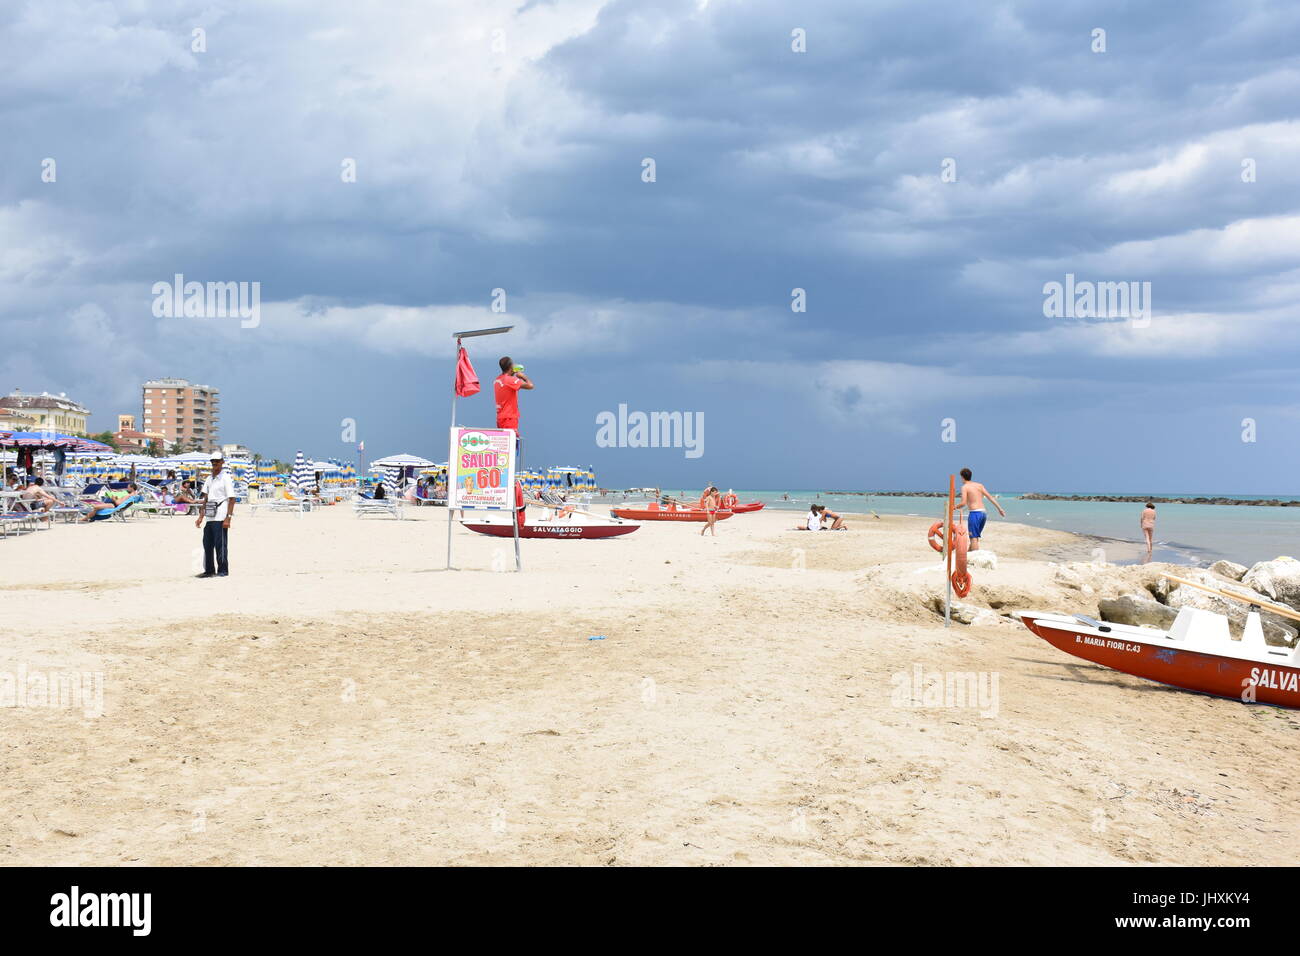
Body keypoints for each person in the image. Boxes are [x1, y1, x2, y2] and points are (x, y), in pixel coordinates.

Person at [195, 451, 235, 578]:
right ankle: (209, 570)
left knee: (220, 544)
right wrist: (201, 516)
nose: (214, 464)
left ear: (222, 462)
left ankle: (223, 570)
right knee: (207, 544)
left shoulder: (225, 478)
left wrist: (228, 518)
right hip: (210, 515)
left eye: (217, 461)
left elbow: (232, 499)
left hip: (221, 515)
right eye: (212, 462)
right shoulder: (209, 478)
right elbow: (205, 498)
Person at [955, 467, 1005, 551]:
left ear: (962, 477)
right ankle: (969, 558)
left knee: (973, 538)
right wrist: (1000, 509)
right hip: (983, 513)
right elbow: (990, 497)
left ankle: (975, 561)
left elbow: (963, 503)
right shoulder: (979, 485)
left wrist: (954, 507)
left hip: (975, 514)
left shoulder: (965, 487)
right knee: (975, 538)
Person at [494, 355, 535, 445]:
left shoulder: (497, 379)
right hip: (509, 418)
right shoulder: (510, 380)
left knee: (503, 445)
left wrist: (514, 375)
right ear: (510, 367)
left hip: (501, 418)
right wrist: (523, 376)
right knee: (511, 444)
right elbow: (530, 386)